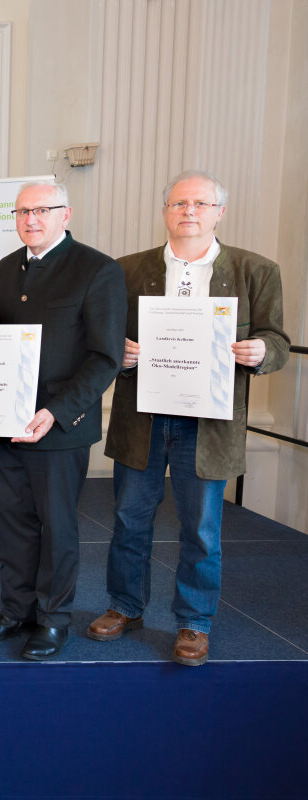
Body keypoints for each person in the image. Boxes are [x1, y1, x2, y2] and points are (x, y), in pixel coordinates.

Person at [90, 170, 289, 666]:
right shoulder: (126, 270)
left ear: (219, 212)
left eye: (200, 203)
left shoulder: (255, 270)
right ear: (165, 212)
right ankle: (125, 606)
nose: (189, 211)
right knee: (128, 519)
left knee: (201, 528)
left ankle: (194, 622)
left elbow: (278, 342)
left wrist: (261, 350)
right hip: (144, 419)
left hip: (210, 425)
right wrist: (119, 351)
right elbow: (99, 338)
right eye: (179, 203)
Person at [0, 181, 126, 661]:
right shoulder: (8, 267)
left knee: (56, 528)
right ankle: (16, 611)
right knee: (11, 522)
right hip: (4, 421)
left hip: (58, 426)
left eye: (42, 210)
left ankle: (54, 620)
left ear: (66, 214)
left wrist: (56, 412)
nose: (30, 219)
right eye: (22, 211)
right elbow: (12, 331)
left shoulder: (98, 270)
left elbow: (104, 358)